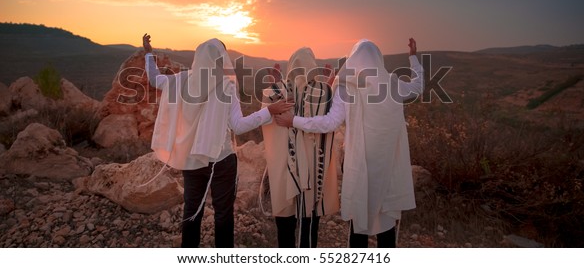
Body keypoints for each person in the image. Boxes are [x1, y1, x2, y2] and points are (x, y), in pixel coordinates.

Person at [143, 34, 293, 248]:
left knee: (191, 211)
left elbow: (154, 79)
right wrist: (269, 110)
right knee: (224, 214)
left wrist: (149, 53)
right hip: (221, 160)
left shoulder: (182, 80)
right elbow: (239, 126)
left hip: (191, 159)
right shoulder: (226, 86)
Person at [275, 38, 424, 248]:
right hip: (387, 164)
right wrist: (413, 58)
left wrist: (294, 121)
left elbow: (329, 122)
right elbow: (418, 87)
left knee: (359, 217)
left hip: (359, 162)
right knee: (386, 220)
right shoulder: (391, 83)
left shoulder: (347, 86)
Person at [261, 48, 339, 248]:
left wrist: (274, 82)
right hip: (313, 173)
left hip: (284, 166)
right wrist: (329, 82)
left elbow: (264, 117)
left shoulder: (275, 92)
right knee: (309, 222)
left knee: (285, 224)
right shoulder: (325, 93)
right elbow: (327, 117)